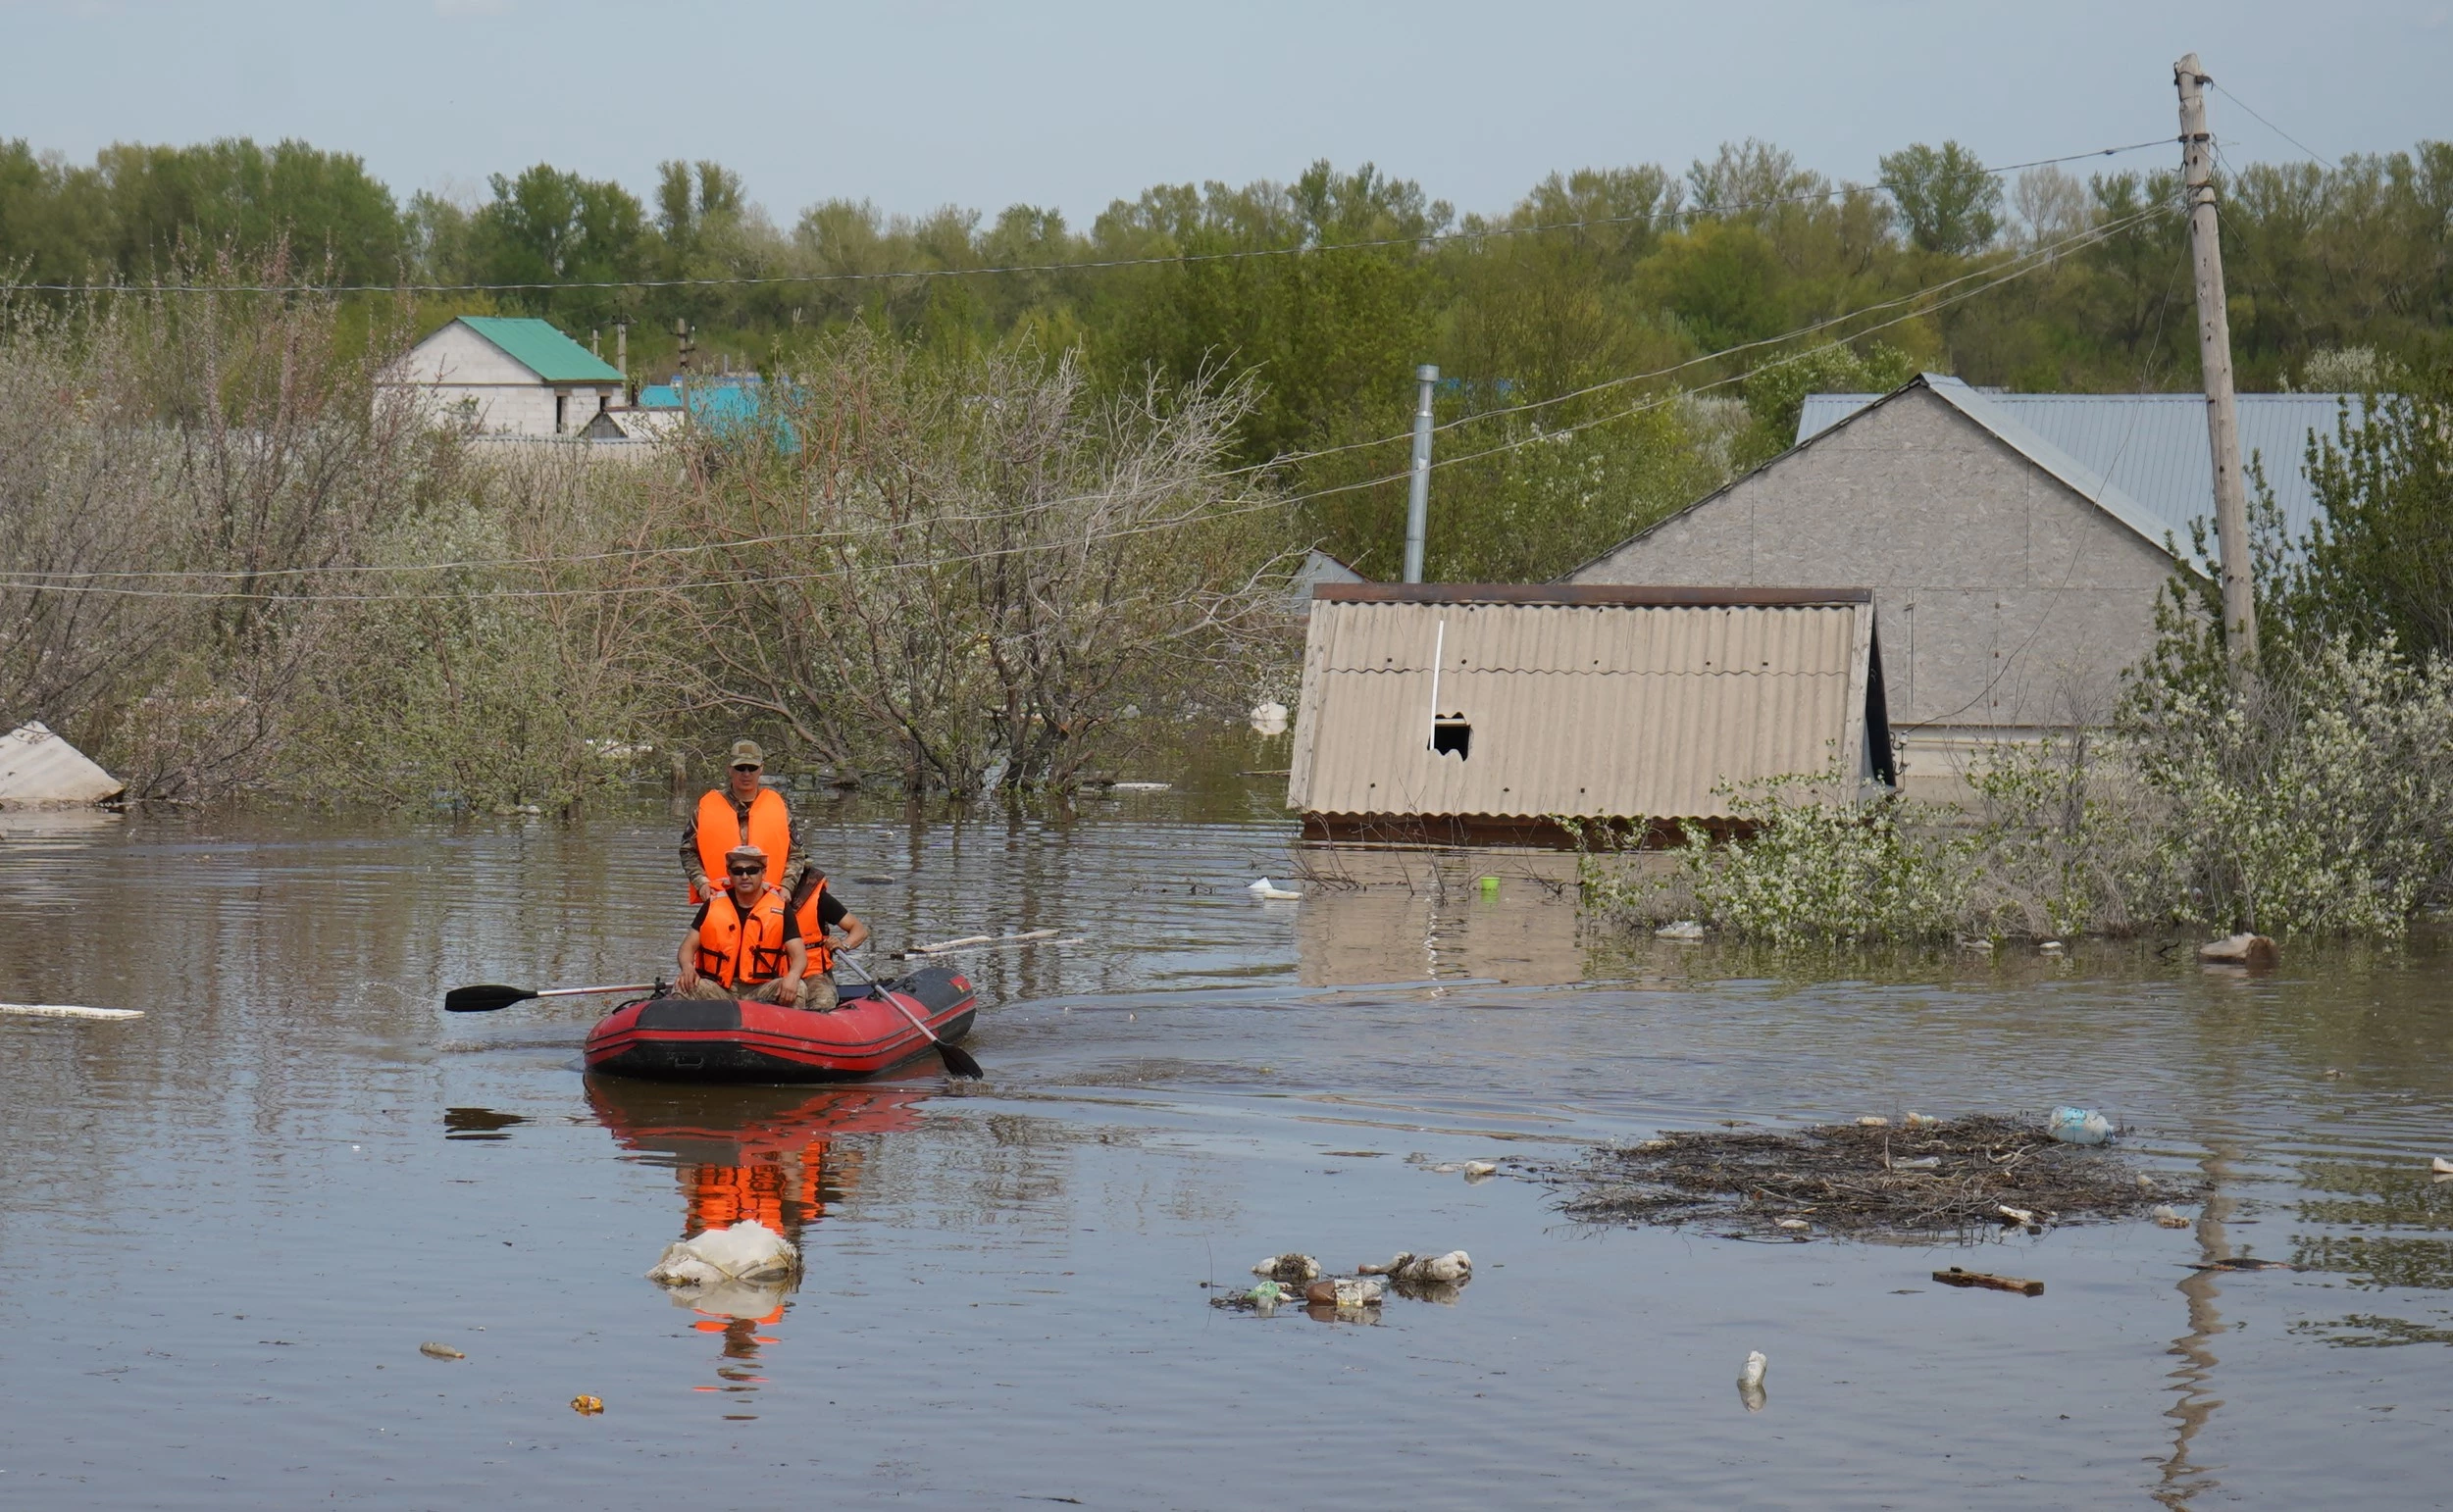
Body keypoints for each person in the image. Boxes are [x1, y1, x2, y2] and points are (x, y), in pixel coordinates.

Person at [678, 739, 871, 1007]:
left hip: (771, 900)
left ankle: (782, 1024)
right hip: (723, 898)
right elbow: (688, 850)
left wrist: (786, 888)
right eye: (740, 768)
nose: (746, 774)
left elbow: (796, 852)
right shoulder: (705, 808)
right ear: (729, 770)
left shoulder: (778, 807)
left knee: (793, 983)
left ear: (761, 770)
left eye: (752, 768)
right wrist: (701, 884)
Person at [675, 846, 807, 1005]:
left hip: (761, 989)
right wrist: (687, 967)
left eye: (752, 870)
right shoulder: (712, 904)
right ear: (730, 874)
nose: (744, 876)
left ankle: (785, 1028)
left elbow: (799, 955)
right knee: (682, 986)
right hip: (719, 989)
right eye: (737, 871)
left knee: (798, 987)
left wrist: (793, 976)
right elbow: (687, 947)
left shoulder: (781, 908)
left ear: (763, 873)